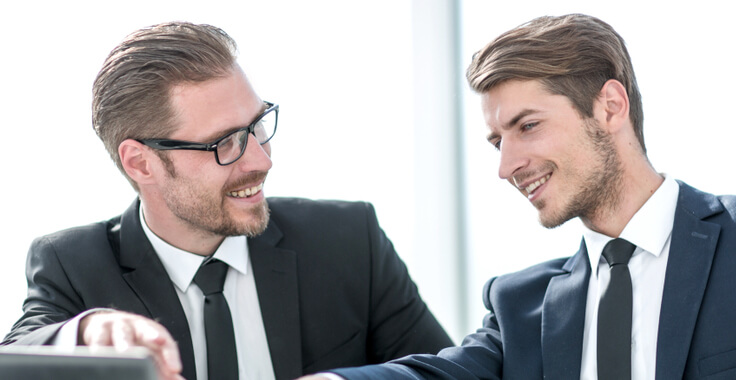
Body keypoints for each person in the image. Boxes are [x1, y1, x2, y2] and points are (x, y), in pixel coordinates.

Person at [302, 13, 736, 380]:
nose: (506, 166)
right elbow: (441, 374)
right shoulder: (521, 305)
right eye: (497, 141)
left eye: (527, 125)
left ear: (610, 107)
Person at [1, 22, 453, 380]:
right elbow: (17, 354)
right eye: (224, 142)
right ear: (141, 164)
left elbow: (448, 372)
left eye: (257, 125)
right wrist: (86, 331)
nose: (260, 160)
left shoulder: (348, 240)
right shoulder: (74, 263)